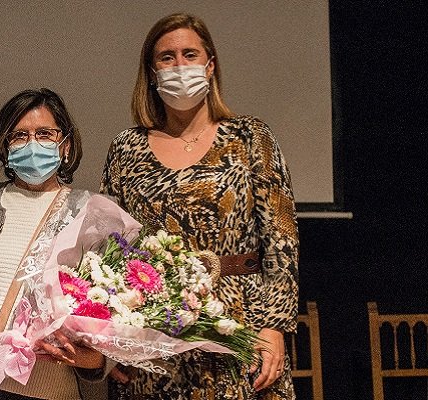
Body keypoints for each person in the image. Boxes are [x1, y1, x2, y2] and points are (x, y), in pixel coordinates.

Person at [101, 13, 299, 400]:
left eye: (189, 54)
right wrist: (112, 338)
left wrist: (274, 325)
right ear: (152, 73)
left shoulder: (250, 137)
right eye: (167, 57)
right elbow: (111, 247)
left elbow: (281, 237)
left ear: (210, 65)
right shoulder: (126, 148)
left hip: (241, 321)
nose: (179, 65)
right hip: (155, 325)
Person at [0, 88, 109, 400]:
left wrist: (88, 356)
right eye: (19, 136)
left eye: (45, 134)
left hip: (56, 392)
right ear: (5, 146)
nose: (32, 144)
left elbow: (108, 325)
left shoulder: (90, 214)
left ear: (65, 145)